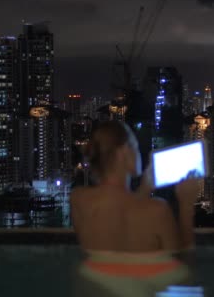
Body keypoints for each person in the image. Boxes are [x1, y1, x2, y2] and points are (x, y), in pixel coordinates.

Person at [70, 121, 201, 297]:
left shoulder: (79, 200)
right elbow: (185, 265)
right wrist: (186, 204)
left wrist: (145, 188)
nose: (140, 154)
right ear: (124, 152)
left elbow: (119, 216)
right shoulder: (157, 210)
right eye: (136, 148)